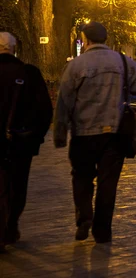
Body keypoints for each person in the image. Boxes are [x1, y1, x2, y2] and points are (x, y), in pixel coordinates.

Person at [54, 22, 136, 243]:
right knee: (108, 183)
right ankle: (102, 230)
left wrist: (60, 131)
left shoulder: (76, 65)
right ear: (105, 39)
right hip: (114, 133)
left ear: (85, 40)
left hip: (83, 133)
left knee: (81, 177)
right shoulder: (123, 62)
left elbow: (64, 100)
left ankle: (85, 216)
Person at [0, 32, 52, 252]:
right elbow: (45, 110)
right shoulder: (28, 74)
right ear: (14, 49)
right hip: (21, 142)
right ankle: (10, 225)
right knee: (18, 184)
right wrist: (35, 137)